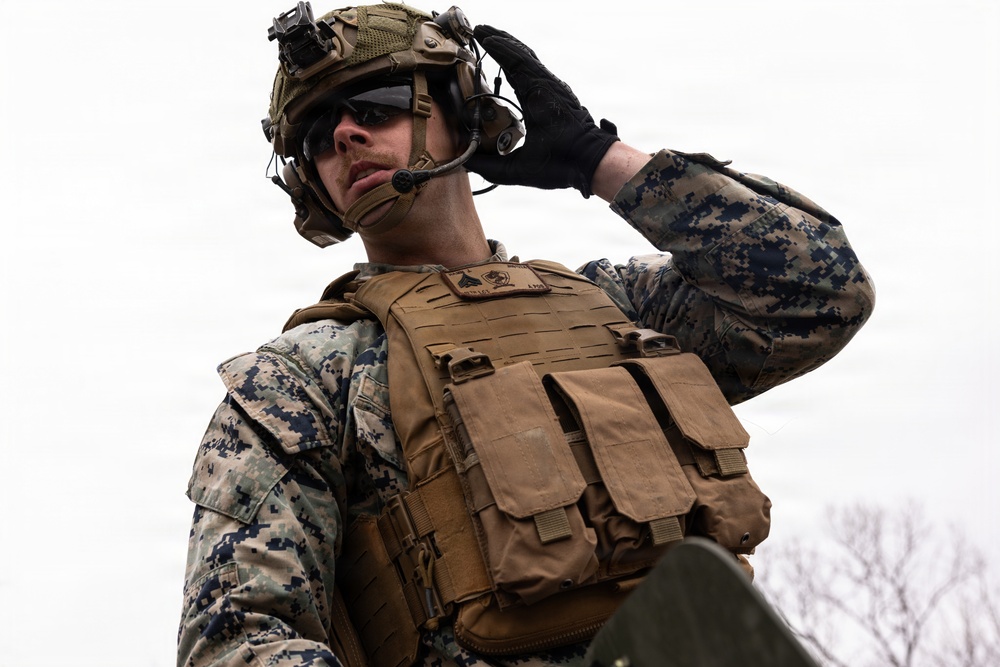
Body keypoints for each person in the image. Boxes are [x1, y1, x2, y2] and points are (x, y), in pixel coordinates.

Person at [176, 3, 875, 666]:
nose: (344, 136)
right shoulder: (301, 380)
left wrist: (595, 159)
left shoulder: (616, 309)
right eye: (316, 135)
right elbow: (239, 639)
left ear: (459, 112)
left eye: (376, 105)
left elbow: (820, 291)